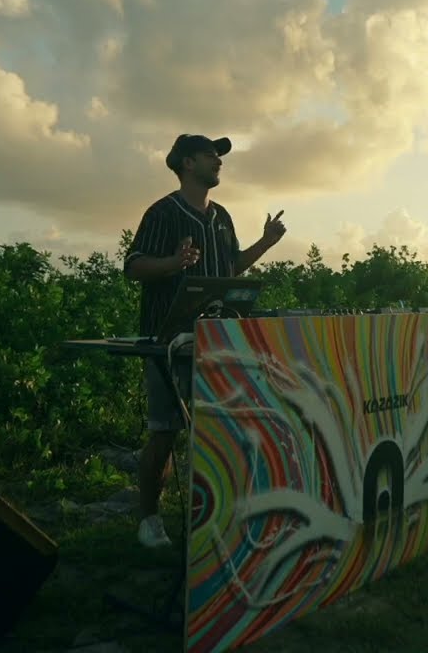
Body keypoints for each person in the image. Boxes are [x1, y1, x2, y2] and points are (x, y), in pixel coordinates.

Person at [123, 133, 287, 547]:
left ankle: (217, 515)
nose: (219, 161)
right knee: (165, 433)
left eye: (219, 156)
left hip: (217, 339)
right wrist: (173, 263)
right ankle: (149, 520)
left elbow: (231, 268)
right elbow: (133, 266)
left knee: (219, 430)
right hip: (168, 342)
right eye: (210, 155)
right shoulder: (163, 212)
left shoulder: (223, 216)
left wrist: (266, 243)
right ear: (187, 163)